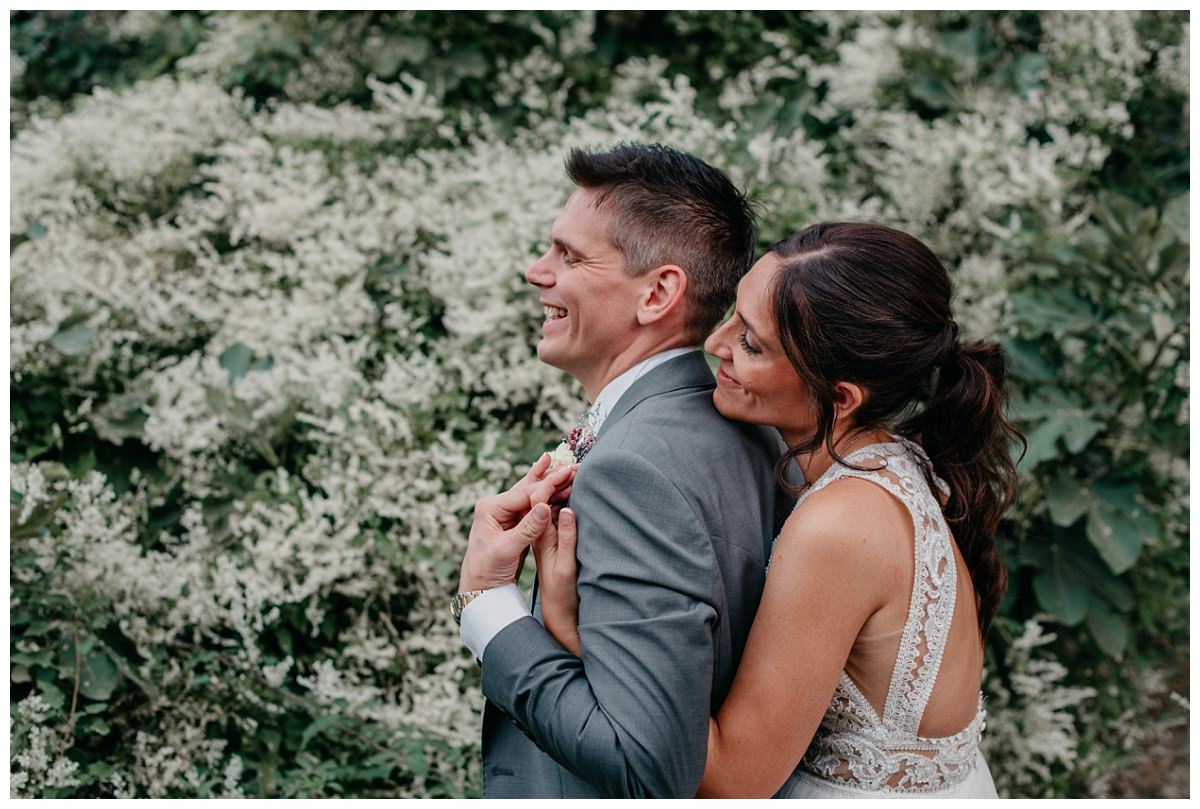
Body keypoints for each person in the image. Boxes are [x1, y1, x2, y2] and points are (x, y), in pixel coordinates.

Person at [535, 222, 1021, 797]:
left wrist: (573, 630)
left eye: (751, 343)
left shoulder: (839, 526)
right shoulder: (892, 460)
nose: (716, 343)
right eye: (734, 316)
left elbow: (729, 784)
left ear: (839, 397)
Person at [454, 143, 788, 798]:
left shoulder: (634, 469)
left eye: (569, 255)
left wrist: (487, 602)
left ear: (658, 292)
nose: (535, 271)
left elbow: (646, 766)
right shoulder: (751, 429)